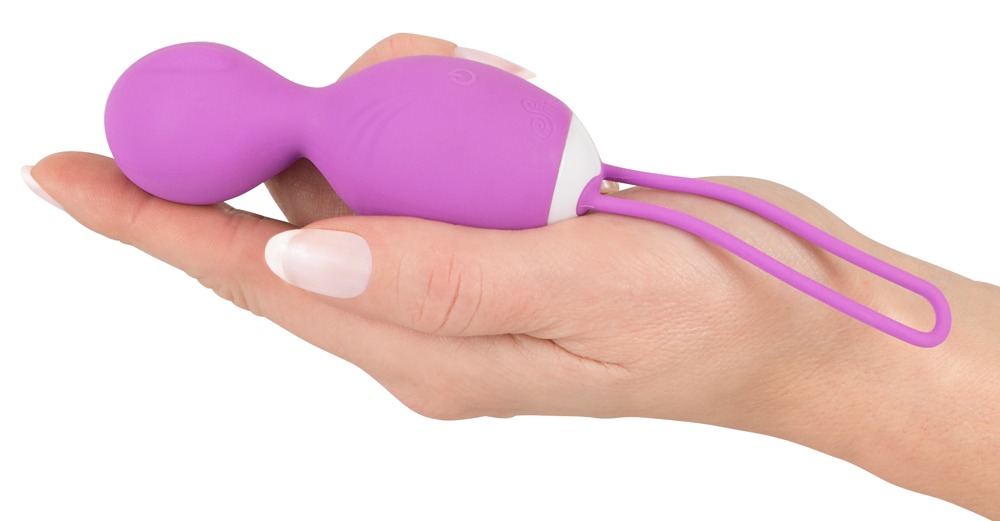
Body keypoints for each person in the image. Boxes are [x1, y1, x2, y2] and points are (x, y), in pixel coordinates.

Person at [20, 34, 999, 518]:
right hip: (569, 158)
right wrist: (839, 358)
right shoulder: (369, 109)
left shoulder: (362, 115)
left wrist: (816, 359)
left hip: (563, 165)